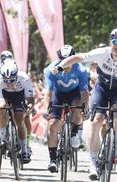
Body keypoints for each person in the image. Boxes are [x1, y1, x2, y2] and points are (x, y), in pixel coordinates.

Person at [53, 28, 117, 180]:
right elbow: (79, 57)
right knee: (96, 121)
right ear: (110, 42)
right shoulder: (102, 52)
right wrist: (62, 64)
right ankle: (93, 163)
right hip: (102, 88)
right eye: (115, 42)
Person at [43, 44, 89, 173]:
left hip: (75, 93)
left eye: (69, 60)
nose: (66, 64)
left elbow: (84, 92)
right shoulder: (51, 69)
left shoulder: (81, 69)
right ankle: (52, 160)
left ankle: (74, 131)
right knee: (52, 125)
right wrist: (47, 109)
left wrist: (85, 109)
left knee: (78, 107)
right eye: (63, 60)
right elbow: (48, 92)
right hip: (58, 93)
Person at [0, 59, 35, 164]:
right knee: (1, 108)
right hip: (4, 95)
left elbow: (30, 98)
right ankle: (2, 138)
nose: (9, 83)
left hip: (19, 96)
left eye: (12, 80)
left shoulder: (24, 78)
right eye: (6, 80)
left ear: (16, 76)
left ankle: (24, 150)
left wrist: (29, 106)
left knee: (20, 119)